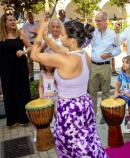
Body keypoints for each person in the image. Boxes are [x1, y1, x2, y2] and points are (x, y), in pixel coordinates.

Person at [31, 17, 107, 157]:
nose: (60, 36)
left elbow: (34, 55)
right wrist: (46, 38)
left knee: (72, 146)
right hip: (84, 104)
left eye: (63, 34)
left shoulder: (63, 60)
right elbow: (58, 48)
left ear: (72, 40)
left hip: (69, 110)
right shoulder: (84, 55)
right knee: (88, 140)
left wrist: (41, 32)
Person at [88, 11, 121, 124]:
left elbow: (118, 50)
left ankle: (104, 114)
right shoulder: (93, 32)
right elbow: (85, 43)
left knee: (106, 92)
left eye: (98, 21)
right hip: (93, 65)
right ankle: (92, 115)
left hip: (106, 66)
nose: (96, 23)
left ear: (105, 21)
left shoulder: (113, 34)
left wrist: (109, 54)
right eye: (95, 20)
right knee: (92, 91)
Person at [0, 13, 31, 128]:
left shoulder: (20, 33)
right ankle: (12, 120)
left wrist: (24, 52)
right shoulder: (0, 36)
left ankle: (24, 118)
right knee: (9, 92)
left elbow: (30, 47)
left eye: (14, 20)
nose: (13, 22)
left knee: (22, 91)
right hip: (5, 70)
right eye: (10, 20)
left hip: (20, 68)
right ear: (4, 23)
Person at [22, 12, 39, 81]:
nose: (31, 18)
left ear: (33, 16)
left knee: (39, 59)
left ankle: (42, 73)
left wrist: (36, 34)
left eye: (31, 16)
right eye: (29, 17)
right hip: (29, 43)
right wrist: (33, 35)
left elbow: (40, 32)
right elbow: (25, 36)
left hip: (37, 43)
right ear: (27, 18)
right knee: (30, 60)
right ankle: (31, 76)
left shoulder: (37, 24)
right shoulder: (25, 26)